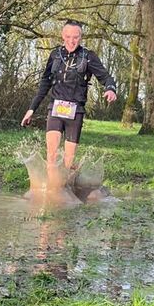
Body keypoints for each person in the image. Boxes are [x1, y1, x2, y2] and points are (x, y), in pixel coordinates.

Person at [21, 19, 117, 186]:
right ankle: (53, 192)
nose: (72, 41)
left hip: (75, 112)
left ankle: (68, 186)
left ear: (81, 37)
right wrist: (31, 109)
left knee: (67, 161)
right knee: (51, 156)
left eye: (76, 37)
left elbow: (106, 77)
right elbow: (45, 83)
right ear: (62, 36)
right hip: (55, 109)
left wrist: (110, 89)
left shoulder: (88, 56)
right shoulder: (55, 55)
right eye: (68, 37)